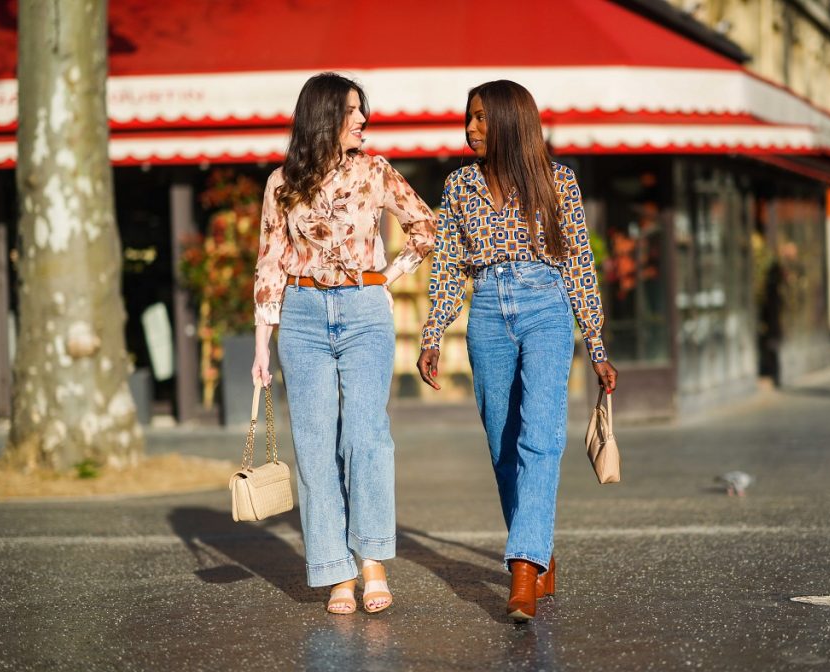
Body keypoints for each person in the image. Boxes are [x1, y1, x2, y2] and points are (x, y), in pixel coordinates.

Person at [416, 80, 618, 622]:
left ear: (509, 121)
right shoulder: (459, 184)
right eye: (469, 118)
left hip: (545, 307)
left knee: (541, 436)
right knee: (503, 445)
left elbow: (579, 265)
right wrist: (434, 331)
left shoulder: (559, 182)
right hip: (485, 313)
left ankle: (523, 570)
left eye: (481, 118)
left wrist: (596, 345)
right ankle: (539, 545)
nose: (470, 128)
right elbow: (450, 264)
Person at [252, 73, 436, 615]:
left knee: (365, 437)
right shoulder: (281, 183)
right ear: (323, 117)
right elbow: (270, 262)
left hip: (363, 312)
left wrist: (386, 276)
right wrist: (263, 343)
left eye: (362, 110)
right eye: (352, 111)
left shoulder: (376, 171)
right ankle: (336, 571)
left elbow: (423, 226)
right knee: (312, 445)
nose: (362, 120)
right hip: (302, 315)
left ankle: (372, 560)